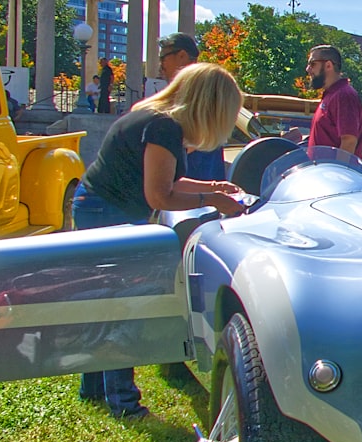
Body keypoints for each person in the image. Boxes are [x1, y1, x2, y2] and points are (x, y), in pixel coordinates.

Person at [71, 63, 246, 420]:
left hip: (97, 205)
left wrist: (212, 188)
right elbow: (160, 196)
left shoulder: (155, 118)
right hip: (110, 211)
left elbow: (168, 180)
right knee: (123, 305)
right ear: (210, 105)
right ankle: (124, 402)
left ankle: (94, 388)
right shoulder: (164, 127)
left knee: (101, 302)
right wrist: (213, 201)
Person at [158, 32, 226, 181]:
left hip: (197, 187)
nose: (161, 65)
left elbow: (196, 140)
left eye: (163, 58)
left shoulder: (199, 89)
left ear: (182, 55)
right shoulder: (194, 88)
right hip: (197, 187)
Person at [306, 45, 362, 157]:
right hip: (321, 172)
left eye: (312, 64)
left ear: (328, 65)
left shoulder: (344, 95)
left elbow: (349, 141)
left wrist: (337, 173)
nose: (308, 69)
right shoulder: (331, 95)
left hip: (332, 173)